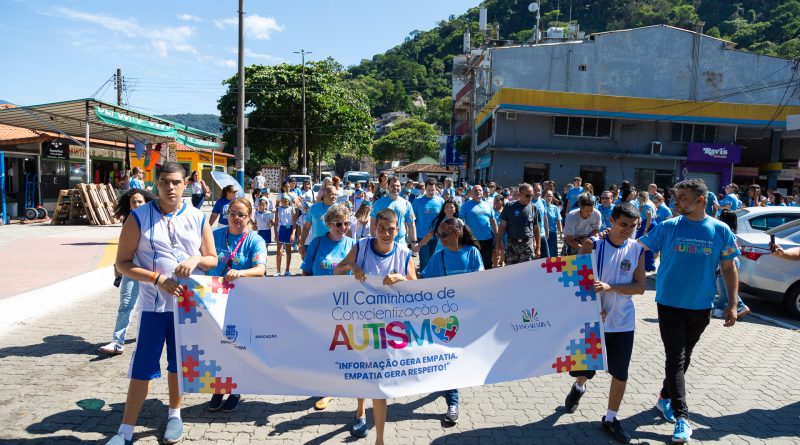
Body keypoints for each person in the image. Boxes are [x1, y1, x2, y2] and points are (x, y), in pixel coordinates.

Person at [106, 162, 217, 445]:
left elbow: (212, 259)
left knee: (179, 365)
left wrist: (196, 258)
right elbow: (122, 263)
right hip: (153, 307)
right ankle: (125, 430)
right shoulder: (139, 217)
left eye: (176, 182)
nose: (170, 187)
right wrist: (157, 279)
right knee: (143, 367)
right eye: (165, 182)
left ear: (185, 184)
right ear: (157, 184)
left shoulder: (197, 217)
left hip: (188, 307)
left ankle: (175, 415)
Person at [638, 179, 740, 443]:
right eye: (676, 196)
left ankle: (664, 398)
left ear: (700, 200)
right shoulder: (668, 226)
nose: (677, 201)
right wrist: (605, 239)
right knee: (675, 358)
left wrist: (731, 304)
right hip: (669, 303)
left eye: (682, 197)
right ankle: (682, 417)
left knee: (685, 356)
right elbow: (636, 247)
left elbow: (729, 268)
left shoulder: (720, 230)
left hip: (701, 306)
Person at [564, 202, 646, 444]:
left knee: (620, 373)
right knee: (585, 370)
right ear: (611, 221)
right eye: (623, 224)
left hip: (622, 323)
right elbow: (575, 277)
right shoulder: (593, 244)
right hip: (593, 321)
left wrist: (611, 287)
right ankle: (579, 387)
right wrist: (589, 307)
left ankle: (610, 418)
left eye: (632, 226)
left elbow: (640, 287)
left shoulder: (637, 250)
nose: (627, 230)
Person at [334, 208, 417, 445]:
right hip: (360, 323)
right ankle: (360, 410)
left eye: (390, 229)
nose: (385, 233)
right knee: (363, 373)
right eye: (381, 228)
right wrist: (352, 267)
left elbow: (417, 287)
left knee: (378, 383)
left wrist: (402, 278)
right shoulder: (362, 246)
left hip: (390, 328)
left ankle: (379, 439)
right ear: (374, 228)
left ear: (397, 230)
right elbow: (337, 270)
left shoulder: (403, 253)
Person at [206, 198, 267, 412]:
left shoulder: (255, 240)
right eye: (232, 213)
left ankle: (235, 389)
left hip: (241, 301)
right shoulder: (215, 235)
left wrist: (241, 273)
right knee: (216, 345)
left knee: (236, 346)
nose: (236, 218)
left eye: (241, 214)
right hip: (213, 299)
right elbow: (203, 259)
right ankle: (218, 387)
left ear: (249, 217)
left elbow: (260, 269)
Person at [420, 217, 483, 425]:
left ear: (457, 233)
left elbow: (480, 280)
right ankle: (453, 403)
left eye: (444, 235)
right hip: (445, 319)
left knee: (458, 359)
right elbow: (424, 284)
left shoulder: (472, 253)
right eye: (438, 235)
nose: (440, 238)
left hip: (468, 316)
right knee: (449, 359)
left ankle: (447, 386)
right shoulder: (438, 257)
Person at [299, 204, 357, 411]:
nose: (343, 228)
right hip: (319, 303)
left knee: (338, 344)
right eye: (338, 224)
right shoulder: (317, 243)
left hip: (342, 304)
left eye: (347, 223)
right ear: (329, 224)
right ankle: (323, 381)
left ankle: (332, 385)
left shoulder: (353, 244)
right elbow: (306, 271)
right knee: (319, 344)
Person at [99, 189, 155, 355]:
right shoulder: (128, 221)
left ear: (147, 203)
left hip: (152, 270)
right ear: (129, 205)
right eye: (133, 202)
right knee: (126, 304)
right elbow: (123, 249)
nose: (136, 204)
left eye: (140, 201)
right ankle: (117, 341)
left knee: (152, 305)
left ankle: (151, 335)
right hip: (131, 269)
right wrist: (118, 268)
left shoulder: (154, 220)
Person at [712, 210, 751, 319]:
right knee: (724, 290)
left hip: (727, 262)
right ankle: (720, 310)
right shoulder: (731, 232)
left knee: (725, 289)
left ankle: (740, 306)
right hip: (731, 260)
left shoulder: (724, 231)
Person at [495, 183, 540, 265]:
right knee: (511, 270)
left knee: (526, 270)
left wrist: (538, 247)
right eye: (528, 196)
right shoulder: (509, 206)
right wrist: (498, 244)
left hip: (527, 245)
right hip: (511, 244)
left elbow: (536, 228)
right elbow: (502, 226)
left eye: (531, 195)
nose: (530, 198)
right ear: (520, 194)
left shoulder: (534, 208)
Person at [370, 176, 416, 248]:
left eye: (398, 186)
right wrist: (374, 240)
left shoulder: (407, 204)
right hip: (383, 243)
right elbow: (373, 224)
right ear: (387, 187)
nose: (395, 188)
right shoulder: (378, 203)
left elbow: (411, 224)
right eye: (393, 186)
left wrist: (414, 242)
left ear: (401, 187)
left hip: (401, 243)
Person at [461, 184, 498, 269]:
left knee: (487, 263)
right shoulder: (465, 205)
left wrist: (497, 236)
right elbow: (461, 221)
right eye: (475, 190)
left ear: (483, 192)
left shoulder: (488, 205)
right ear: (471, 193)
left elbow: (493, 221)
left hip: (487, 239)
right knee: (472, 264)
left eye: (480, 190)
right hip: (471, 240)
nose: (478, 191)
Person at [412, 178, 445, 270]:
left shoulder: (441, 201)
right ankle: (424, 277)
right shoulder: (417, 201)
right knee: (425, 262)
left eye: (433, 190)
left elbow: (444, 218)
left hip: (437, 237)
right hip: (422, 237)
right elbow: (413, 220)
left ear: (436, 189)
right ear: (425, 189)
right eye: (428, 190)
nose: (431, 192)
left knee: (435, 261)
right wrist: (412, 238)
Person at [299, 185, 337, 258]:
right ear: (324, 196)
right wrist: (301, 244)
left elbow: (346, 228)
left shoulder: (339, 209)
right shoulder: (314, 208)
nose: (334, 197)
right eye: (332, 194)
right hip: (317, 246)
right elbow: (306, 227)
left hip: (334, 247)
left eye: (336, 194)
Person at [275, 193, 298, 276]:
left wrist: (293, 234)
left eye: (286, 201)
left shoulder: (292, 209)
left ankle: (287, 270)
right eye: (283, 201)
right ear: (281, 201)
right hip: (281, 230)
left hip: (289, 230)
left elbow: (294, 225)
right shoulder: (278, 209)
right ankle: (278, 271)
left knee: (288, 251)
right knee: (279, 251)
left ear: (289, 202)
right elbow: (275, 223)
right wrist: (276, 234)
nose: (284, 202)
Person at [636, 191, 658, 272]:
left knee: (644, 245)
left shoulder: (647, 205)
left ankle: (649, 266)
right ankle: (646, 265)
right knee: (643, 245)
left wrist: (645, 230)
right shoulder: (647, 204)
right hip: (646, 224)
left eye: (639, 197)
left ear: (642, 197)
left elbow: (649, 219)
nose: (637, 199)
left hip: (648, 225)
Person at [531, 183, 550, 258]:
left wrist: (547, 231)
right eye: (535, 190)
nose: (537, 192)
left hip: (542, 234)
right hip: (532, 235)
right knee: (534, 258)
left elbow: (545, 217)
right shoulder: (529, 202)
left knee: (546, 257)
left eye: (539, 190)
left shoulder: (542, 201)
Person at [544, 190, 562, 258]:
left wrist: (560, 232)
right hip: (542, 234)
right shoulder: (540, 206)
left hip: (552, 233)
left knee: (553, 254)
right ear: (543, 196)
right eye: (547, 196)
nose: (549, 198)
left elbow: (558, 220)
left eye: (551, 196)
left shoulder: (555, 208)